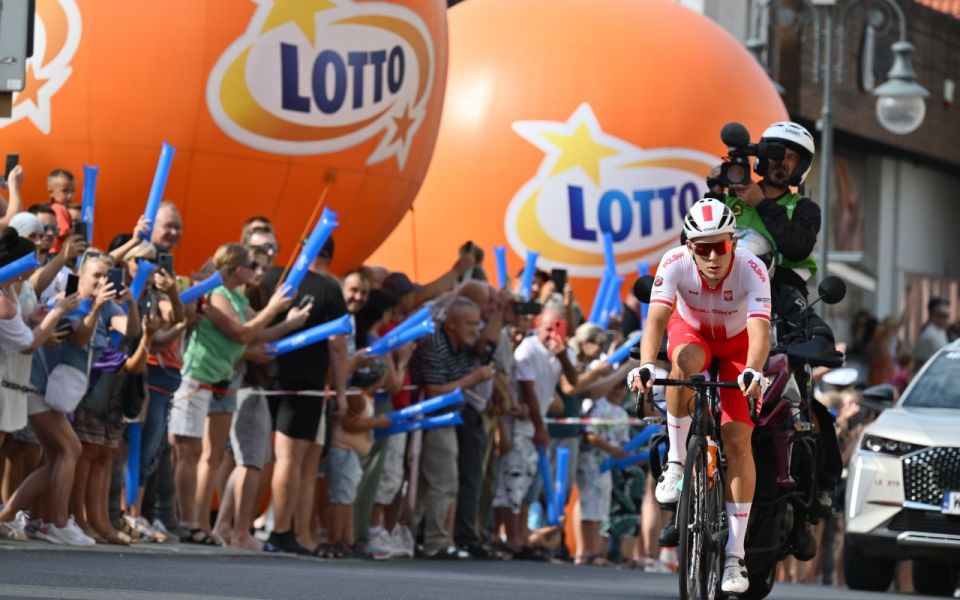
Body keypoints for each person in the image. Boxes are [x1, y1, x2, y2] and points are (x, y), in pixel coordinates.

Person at [629, 198, 771, 594]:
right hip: (693, 337)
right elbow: (656, 318)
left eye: (720, 246)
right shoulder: (673, 262)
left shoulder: (752, 269)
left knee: (738, 441)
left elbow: (760, 332)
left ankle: (734, 556)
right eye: (702, 247)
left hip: (737, 347)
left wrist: (754, 372)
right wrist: (644, 365)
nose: (711, 256)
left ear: (733, 243)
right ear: (689, 246)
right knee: (682, 365)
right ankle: (676, 463)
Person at [168, 243, 305, 545]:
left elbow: (259, 333)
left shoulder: (238, 297)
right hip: (198, 378)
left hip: (224, 380)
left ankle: (200, 524)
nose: (256, 273)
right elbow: (241, 333)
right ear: (237, 269)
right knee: (191, 453)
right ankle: (192, 521)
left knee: (212, 457)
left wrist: (290, 323)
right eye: (250, 267)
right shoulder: (216, 293)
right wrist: (273, 310)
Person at [0, 250, 133, 545]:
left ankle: (9, 515)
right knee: (70, 449)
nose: (101, 281)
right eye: (95, 275)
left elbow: (131, 332)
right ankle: (58, 522)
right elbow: (82, 337)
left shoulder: (105, 305)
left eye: (105, 276)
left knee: (57, 457)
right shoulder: (68, 302)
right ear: (80, 276)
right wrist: (95, 308)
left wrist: (131, 303)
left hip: (54, 393)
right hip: (39, 386)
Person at [262, 238, 348, 555]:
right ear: (330, 255)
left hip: (260, 377)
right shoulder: (328, 290)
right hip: (304, 383)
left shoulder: (271, 277)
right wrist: (341, 394)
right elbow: (338, 347)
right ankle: (281, 531)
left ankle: (232, 527)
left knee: (252, 458)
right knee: (289, 459)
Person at [408, 296, 493, 559]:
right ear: (452, 324)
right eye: (470, 324)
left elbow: (489, 341)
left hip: (449, 418)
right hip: (433, 418)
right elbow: (434, 391)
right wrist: (474, 378)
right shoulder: (435, 343)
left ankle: (416, 537)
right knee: (443, 482)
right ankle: (434, 543)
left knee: (428, 485)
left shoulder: (463, 345)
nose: (475, 330)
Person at [492, 304, 578, 556]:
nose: (552, 333)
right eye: (548, 327)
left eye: (557, 328)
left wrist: (562, 356)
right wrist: (540, 428)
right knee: (512, 481)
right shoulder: (528, 350)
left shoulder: (562, 350)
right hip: (520, 425)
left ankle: (519, 536)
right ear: (539, 324)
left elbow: (574, 382)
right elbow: (528, 391)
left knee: (527, 484)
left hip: (535, 423)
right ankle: (509, 537)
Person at [46, 169, 76, 254]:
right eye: (65, 191)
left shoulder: (58, 208)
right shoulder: (58, 208)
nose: (70, 195)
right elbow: (64, 231)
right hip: (57, 252)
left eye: (73, 191)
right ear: (51, 192)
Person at [913, 298, 950, 366]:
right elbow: (919, 360)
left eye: (947, 316)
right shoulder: (929, 334)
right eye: (941, 316)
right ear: (933, 316)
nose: (945, 320)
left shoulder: (941, 330)